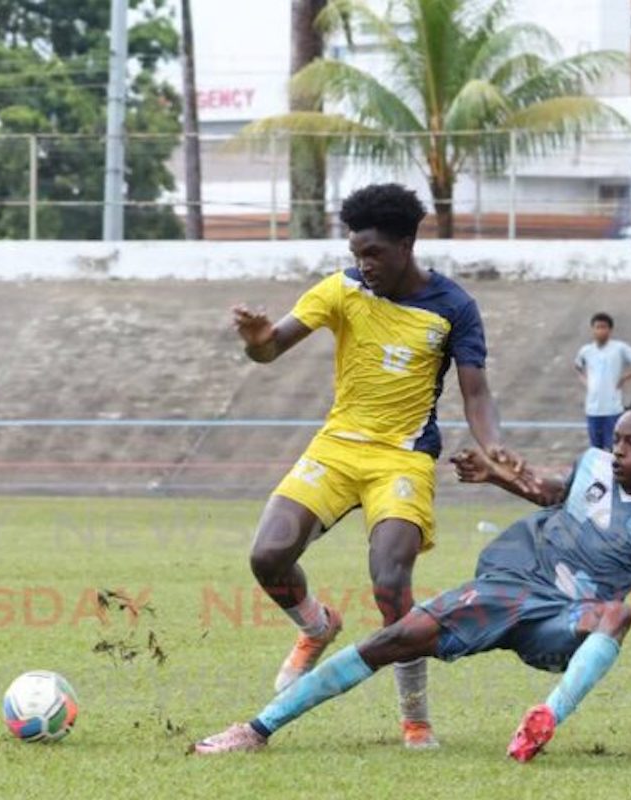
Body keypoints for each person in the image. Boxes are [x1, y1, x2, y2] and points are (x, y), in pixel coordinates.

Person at [193, 395, 631, 762]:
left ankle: (543, 721)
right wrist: (495, 477)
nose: (617, 451)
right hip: (508, 586)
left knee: (618, 614)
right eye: (616, 439)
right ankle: (258, 728)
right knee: (394, 639)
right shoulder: (592, 466)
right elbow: (547, 492)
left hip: (564, 621)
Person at [230, 183, 521, 749]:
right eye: (356, 253)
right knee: (268, 556)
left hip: (402, 460)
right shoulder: (342, 290)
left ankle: (415, 717)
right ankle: (316, 625)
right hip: (337, 448)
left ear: (407, 244)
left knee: (391, 581)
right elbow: (271, 347)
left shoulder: (453, 308)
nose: (363, 264)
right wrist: (256, 340)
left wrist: (494, 446)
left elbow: (477, 392)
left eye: (374, 254)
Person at [575, 312, 631, 450]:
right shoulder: (586, 351)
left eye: (604, 327)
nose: (600, 331)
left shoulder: (619, 348)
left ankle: (612, 472)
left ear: (610, 330)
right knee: (595, 449)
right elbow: (578, 367)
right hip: (593, 408)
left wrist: (625, 378)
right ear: (593, 329)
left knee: (612, 448)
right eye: (597, 327)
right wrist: (586, 382)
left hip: (612, 408)